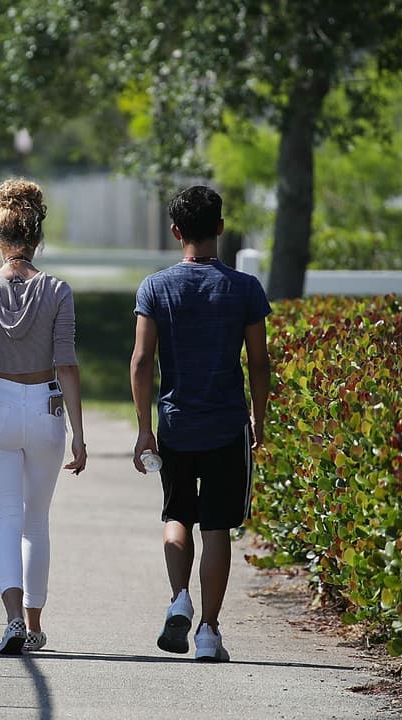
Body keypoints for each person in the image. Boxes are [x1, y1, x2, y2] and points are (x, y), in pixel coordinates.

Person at [129, 185, 271, 663]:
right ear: (220, 228)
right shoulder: (245, 289)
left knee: (175, 516)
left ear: (175, 232)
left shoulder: (155, 288)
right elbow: (259, 361)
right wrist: (259, 415)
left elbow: (142, 360)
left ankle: (179, 598)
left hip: (174, 423)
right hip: (228, 426)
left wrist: (145, 428)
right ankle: (208, 632)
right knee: (216, 529)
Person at [0, 178, 87, 655]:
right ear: (37, 237)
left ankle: (12, 617)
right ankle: (34, 623)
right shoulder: (57, 290)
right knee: (37, 521)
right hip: (47, 405)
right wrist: (78, 433)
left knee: (5, 520)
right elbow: (67, 363)